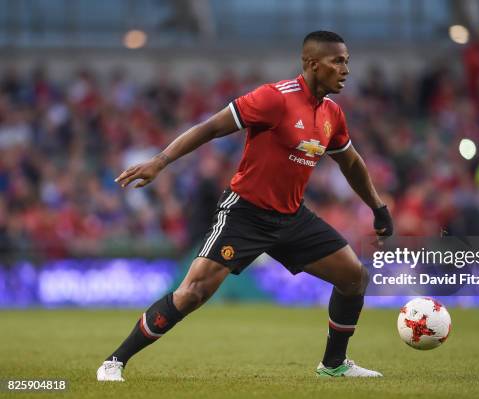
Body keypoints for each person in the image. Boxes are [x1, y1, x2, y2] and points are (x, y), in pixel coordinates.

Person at [96, 31, 393, 381]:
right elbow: (210, 128)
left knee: (354, 277)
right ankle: (114, 361)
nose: (346, 69)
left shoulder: (332, 114)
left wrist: (377, 206)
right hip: (245, 214)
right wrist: (160, 161)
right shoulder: (274, 99)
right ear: (313, 64)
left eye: (347, 62)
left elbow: (351, 163)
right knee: (192, 293)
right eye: (338, 61)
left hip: (291, 217)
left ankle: (333, 365)